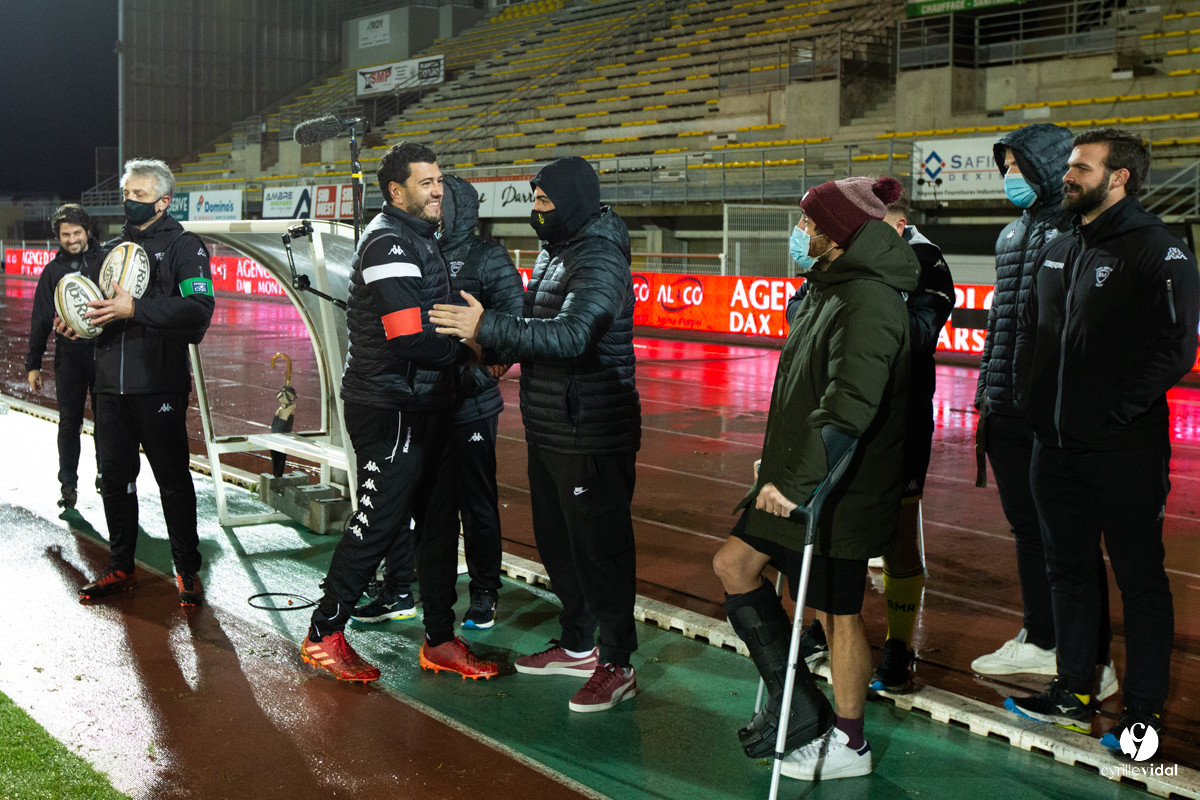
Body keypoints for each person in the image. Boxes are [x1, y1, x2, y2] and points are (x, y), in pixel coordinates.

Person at [712, 176, 919, 781]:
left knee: (837, 613)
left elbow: (850, 403)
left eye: (807, 225)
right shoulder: (828, 287)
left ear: (835, 233)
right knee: (736, 566)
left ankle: (850, 743)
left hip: (839, 490)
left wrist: (798, 480)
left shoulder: (872, 299)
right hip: (801, 478)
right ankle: (800, 707)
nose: (798, 235)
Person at [1008, 129, 1198, 751]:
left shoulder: (1158, 250)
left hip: (1123, 450)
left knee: (1139, 578)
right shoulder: (1061, 245)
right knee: (1068, 572)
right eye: (1068, 166)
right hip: (1054, 449)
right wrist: (1035, 411)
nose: (1067, 175)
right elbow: (1034, 336)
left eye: (1081, 168)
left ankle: (1142, 713)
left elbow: (1174, 349)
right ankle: (1073, 690)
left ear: (1118, 178)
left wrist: (1114, 412)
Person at [430, 155, 641, 713]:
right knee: (560, 545)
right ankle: (577, 645)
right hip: (552, 425)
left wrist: (487, 325)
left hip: (593, 430)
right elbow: (533, 330)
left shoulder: (599, 255)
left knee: (602, 550)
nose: (535, 212)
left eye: (544, 202)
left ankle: (617, 662)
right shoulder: (559, 251)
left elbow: (574, 334)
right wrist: (487, 352)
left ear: (570, 201)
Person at [301, 142, 497, 684]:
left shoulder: (417, 236)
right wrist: (475, 348)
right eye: (426, 183)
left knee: (438, 526)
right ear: (396, 191)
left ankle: (438, 641)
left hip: (427, 404)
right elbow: (410, 338)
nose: (439, 191)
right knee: (377, 523)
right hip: (390, 407)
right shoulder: (389, 241)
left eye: (440, 181)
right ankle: (324, 633)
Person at [971, 123, 1117, 702]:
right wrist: (988, 393)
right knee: (1028, 532)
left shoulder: (1081, 232)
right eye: (1004, 167)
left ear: (1049, 165)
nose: (1009, 177)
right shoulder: (1011, 236)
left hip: (1051, 415)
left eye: (1017, 166)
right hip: (1006, 409)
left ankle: (1092, 659)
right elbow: (999, 329)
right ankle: (1042, 635)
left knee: (1070, 541)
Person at [350, 174, 523, 630]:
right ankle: (400, 588)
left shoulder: (489, 257)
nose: (434, 201)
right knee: (412, 504)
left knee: (476, 505)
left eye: (442, 195)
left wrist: (481, 370)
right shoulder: (411, 245)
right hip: (422, 402)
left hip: (469, 406)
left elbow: (510, 326)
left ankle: (485, 593)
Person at [67, 159, 215, 607]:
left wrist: (137, 310)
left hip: (159, 388)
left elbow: (198, 313)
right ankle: (121, 566)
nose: (129, 201)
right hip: (109, 388)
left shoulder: (185, 246)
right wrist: (79, 321)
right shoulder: (111, 250)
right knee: (114, 480)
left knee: (172, 481)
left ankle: (187, 568)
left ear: (163, 201)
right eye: (126, 193)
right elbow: (98, 308)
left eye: (139, 195)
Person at [26, 204, 103, 509]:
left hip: (104, 356)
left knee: (108, 422)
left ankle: (106, 473)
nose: (71, 239)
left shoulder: (105, 261)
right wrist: (33, 364)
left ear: (87, 232)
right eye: (65, 234)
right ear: (58, 236)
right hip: (69, 358)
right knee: (69, 422)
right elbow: (40, 319)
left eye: (77, 233)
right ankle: (68, 484)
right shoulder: (52, 272)